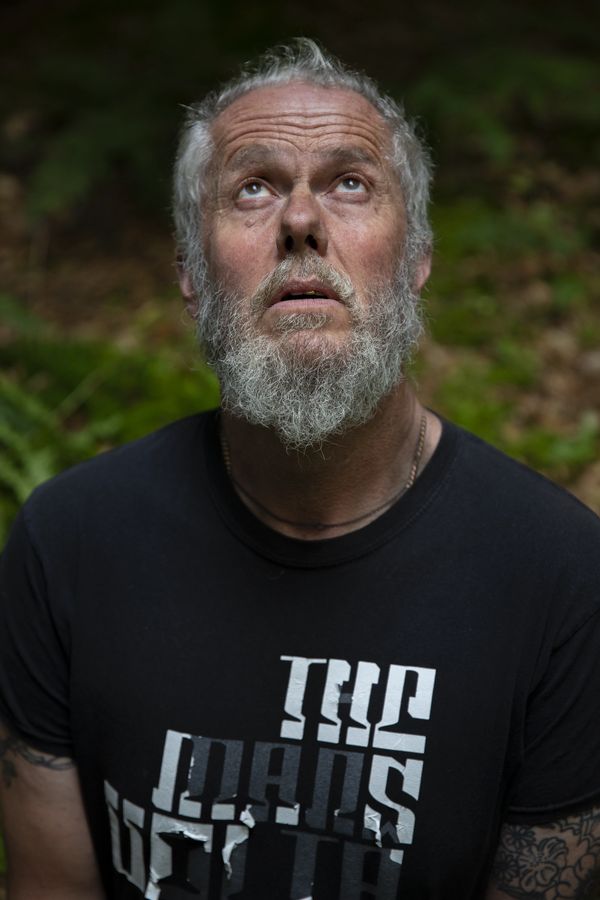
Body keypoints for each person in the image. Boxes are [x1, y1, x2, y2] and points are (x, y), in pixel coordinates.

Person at [0, 38, 599, 900]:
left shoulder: (563, 578)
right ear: (191, 273)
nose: (302, 221)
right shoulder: (68, 544)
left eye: (350, 182)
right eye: (254, 187)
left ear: (418, 257)